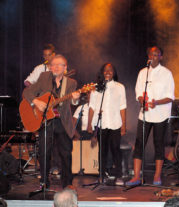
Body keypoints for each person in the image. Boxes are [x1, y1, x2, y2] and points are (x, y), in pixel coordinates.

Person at [23, 54, 80, 189]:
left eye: (58, 65)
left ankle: (67, 184)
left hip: (62, 121)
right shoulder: (44, 77)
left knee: (65, 154)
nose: (54, 67)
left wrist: (75, 98)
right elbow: (27, 92)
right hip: (45, 120)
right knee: (44, 152)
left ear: (65, 67)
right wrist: (36, 101)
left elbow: (73, 102)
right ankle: (44, 182)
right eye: (52, 65)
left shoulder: (71, 83)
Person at [126, 46, 175, 186]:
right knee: (139, 143)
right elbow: (138, 91)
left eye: (156, 54)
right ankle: (136, 176)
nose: (153, 57)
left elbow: (170, 96)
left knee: (158, 144)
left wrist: (157, 103)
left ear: (161, 57)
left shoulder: (166, 73)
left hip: (161, 114)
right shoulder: (143, 72)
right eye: (150, 54)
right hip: (145, 114)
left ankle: (157, 176)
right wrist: (141, 98)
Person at [87, 63, 126, 180]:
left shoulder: (120, 87)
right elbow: (92, 107)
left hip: (115, 123)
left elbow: (123, 107)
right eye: (105, 70)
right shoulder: (96, 87)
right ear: (102, 72)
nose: (108, 72)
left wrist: (124, 125)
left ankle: (118, 173)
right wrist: (89, 123)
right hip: (101, 123)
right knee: (102, 150)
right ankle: (101, 174)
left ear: (114, 72)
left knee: (115, 148)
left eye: (110, 70)